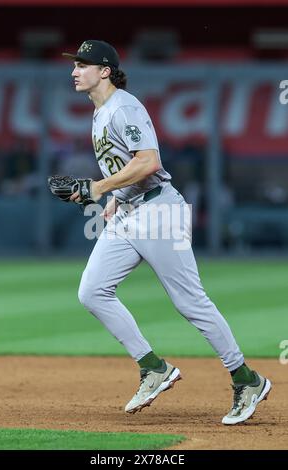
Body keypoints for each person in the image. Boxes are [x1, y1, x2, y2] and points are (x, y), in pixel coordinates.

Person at [62, 40, 271, 424]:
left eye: (83, 64)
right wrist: (114, 197)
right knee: (92, 291)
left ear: (105, 70)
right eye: (74, 64)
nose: (74, 70)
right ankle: (153, 367)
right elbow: (125, 168)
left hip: (160, 212)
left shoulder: (123, 107)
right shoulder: (100, 111)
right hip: (130, 212)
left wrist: (98, 188)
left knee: (190, 302)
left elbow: (149, 161)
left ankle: (247, 379)